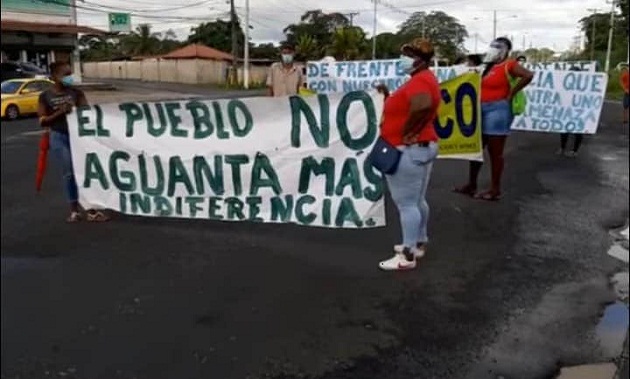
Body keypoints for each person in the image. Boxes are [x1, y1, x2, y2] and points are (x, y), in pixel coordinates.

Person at [376, 38, 441, 271]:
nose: (403, 59)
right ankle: (418, 242)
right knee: (417, 200)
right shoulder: (424, 79)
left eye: (408, 55)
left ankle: (407, 254)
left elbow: (421, 105)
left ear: (420, 60)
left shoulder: (419, 81)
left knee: (406, 204)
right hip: (422, 147)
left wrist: (408, 132)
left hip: (409, 149)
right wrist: (388, 97)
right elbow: (410, 105)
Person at [454, 37, 534, 201]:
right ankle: (471, 184)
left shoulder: (509, 65)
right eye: (493, 46)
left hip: (498, 110)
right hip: (481, 109)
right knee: (475, 149)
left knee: (495, 152)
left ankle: (495, 189)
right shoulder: (487, 67)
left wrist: (511, 93)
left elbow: (528, 75)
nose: (494, 49)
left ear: (505, 50)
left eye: (498, 46)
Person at [38, 61, 109, 223]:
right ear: (54, 77)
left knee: (86, 172)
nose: (70, 77)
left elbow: (87, 113)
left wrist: (78, 109)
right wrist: (59, 112)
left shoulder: (76, 93)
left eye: (70, 73)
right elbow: (42, 121)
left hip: (79, 138)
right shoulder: (45, 96)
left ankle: (91, 210)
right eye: (66, 74)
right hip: (59, 136)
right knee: (69, 173)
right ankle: (74, 211)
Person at [557, 66, 584, 157]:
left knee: (578, 131)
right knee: (564, 129)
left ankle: (574, 151)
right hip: (566, 111)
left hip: (579, 112)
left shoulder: (584, 86)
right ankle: (563, 148)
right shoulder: (565, 85)